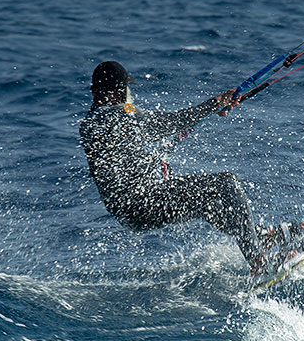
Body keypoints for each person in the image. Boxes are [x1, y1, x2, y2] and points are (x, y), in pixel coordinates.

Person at [79, 60, 273, 276]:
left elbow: (129, 152)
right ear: (118, 90)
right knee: (226, 182)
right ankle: (258, 262)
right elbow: (170, 123)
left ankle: (261, 236)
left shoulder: (88, 124)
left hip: (128, 213)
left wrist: (210, 109)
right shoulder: (122, 113)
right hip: (144, 202)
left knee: (205, 203)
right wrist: (214, 104)